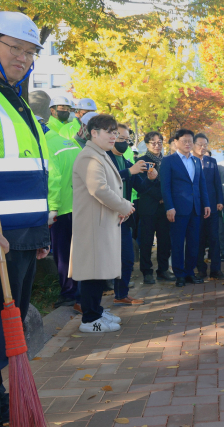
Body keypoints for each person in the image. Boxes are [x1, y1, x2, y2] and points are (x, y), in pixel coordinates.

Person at [0, 13, 51, 422]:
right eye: (13, 47)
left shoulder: (16, 99)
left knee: (8, 330)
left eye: (29, 51)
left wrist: (38, 233)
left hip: (22, 235)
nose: (22, 57)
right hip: (3, 236)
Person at [70, 114, 134, 332]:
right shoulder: (89, 157)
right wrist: (124, 206)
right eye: (109, 131)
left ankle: (95, 310)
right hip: (92, 225)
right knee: (91, 271)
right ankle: (89, 318)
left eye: (115, 132)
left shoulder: (100, 154)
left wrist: (122, 206)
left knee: (98, 270)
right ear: (94, 133)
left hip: (100, 222)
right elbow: (99, 189)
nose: (114, 136)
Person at [107, 125, 154, 305]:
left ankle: (121, 294)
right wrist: (129, 172)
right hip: (106, 216)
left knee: (127, 258)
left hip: (123, 218)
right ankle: (87, 301)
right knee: (105, 259)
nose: (124, 143)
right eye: (121, 139)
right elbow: (103, 182)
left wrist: (150, 178)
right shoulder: (104, 158)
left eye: (127, 140)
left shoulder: (126, 161)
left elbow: (139, 187)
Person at [161, 129, 211, 287]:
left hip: (196, 208)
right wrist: (169, 207)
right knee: (177, 243)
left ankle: (190, 272)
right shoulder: (169, 161)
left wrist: (206, 204)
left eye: (190, 141)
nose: (188, 144)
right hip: (177, 209)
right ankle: (179, 274)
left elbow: (201, 184)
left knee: (193, 242)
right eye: (185, 141)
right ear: (176, 142)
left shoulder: (196, 161)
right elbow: (165, 186)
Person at [47, 113, 85, 308]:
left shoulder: (46, 145)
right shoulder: (69, 144)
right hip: (78, 206)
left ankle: (69, 293)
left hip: (60, 209)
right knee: (76, 251)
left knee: (62, 253)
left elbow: (53, 179)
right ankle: (79, 291)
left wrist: (52, 208)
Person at [137, 132, 175, 284]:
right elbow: (140, 185)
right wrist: (160, 195)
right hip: (148, 207)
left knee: (164, 240)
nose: (157, 145)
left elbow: (170, 183)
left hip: (164, 207)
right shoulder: (141, 161)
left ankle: (163, 269)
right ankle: (147, 271)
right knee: (146, 241)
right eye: (153, 143)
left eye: (159, 143)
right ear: (147, 144)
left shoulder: (166, 161)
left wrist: (164, 198)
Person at [192, 133, 224, 280]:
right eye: (200, 144)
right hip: (196, 207)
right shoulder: (188, 161)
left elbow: (217, 183)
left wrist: (220, 201)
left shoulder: (211, 161)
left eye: (205, 145)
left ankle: (216, 269)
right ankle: (200, 269)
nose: (202, 147)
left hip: (212, 205)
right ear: (193, 145)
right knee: (198, 239)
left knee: (215, 238)